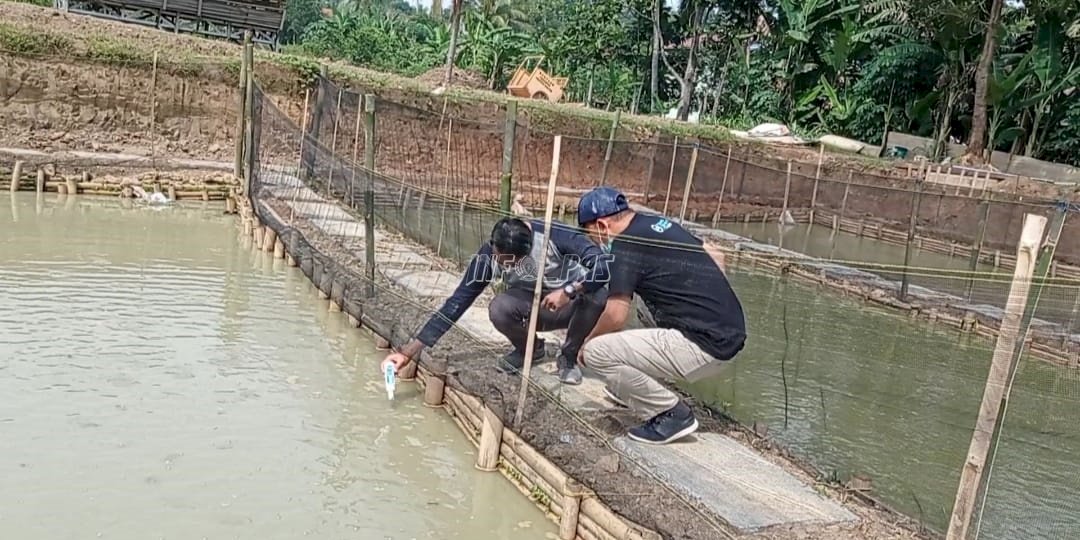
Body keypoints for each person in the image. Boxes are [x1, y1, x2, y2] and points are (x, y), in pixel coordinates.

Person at [575, 186, 746, 445]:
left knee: (597, 352)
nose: (594, 242)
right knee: (646, 307)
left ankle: (671, 414)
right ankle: (635, 390)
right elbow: (715, 254)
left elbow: (616, 315)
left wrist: (586, 342)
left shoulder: (625, 248)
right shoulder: (657, 224)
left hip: (703, 346)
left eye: (591, 235)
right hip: (729, 332)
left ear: (601, 225)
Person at [383, 216, 610, 385]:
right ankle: (529, 349)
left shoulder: (557, 236)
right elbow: (458, 301)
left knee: (598, 294)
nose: (506, 266)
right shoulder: (489, 256)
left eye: (511, 262)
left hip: (573, 307)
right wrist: (408, 351)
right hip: (536, 309)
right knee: (500, 307)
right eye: (502, 261)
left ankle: (568, 357)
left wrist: (568, 291)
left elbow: (603, 268)